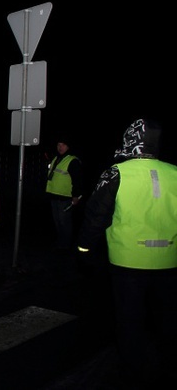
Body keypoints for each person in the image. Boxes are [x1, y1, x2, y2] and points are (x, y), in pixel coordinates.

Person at [77, 118, 177, 387]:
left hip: (127, 263)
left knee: (130, 320)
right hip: (169, 263)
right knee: (167, 320)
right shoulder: (174, 172)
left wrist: (84, 249)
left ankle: (132, 373)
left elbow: (96, 216)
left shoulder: (116, 173)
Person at [46, 134, 83, 252]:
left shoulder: (72, 161)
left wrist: (75, 196)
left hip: (65, 197)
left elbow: (77, 180)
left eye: (63, 145)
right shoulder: (56, 158)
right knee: (57, 222)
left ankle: (65, 245)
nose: (60, 147)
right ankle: (60, 242)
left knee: (64, 222)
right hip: (54, 195)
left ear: (68, 147)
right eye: (58, 145)